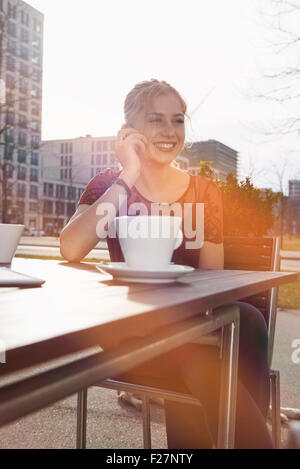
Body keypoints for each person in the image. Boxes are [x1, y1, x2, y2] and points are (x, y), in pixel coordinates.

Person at [60, 79, 273, 449]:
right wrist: (127, 176)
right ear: (129, 131)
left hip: (196, 334)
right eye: (156, 119)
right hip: (133, 337)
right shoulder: (108, 185)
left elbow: (214, 280)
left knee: (222, 344)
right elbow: (71, 248)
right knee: (210, 360)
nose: (169, 131)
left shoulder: (205, 191)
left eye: (177, 120)